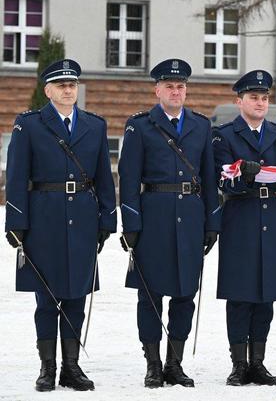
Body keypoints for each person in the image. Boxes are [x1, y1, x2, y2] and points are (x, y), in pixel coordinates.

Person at [5, 59, 116, 391]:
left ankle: (71, 366)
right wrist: (16, 222)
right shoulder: (30, 125)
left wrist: (107, 218)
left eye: (73, 85)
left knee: (77, 295)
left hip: (82, 217)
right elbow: (16, 176)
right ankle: (47, 367)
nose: (69, 90)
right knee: (46, 297)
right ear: (48, 90)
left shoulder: (95, 126)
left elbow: (104, 178)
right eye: (62, 85)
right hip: (44, 218)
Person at [118, 58, 219, 388]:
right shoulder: (140, 126)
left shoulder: (201, 126)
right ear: (157, 89)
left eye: (181, 86)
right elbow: (129, 178)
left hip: (190, 217)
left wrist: (211, 224)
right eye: (170, 86)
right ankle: (152, 363)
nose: (176, 91)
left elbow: (208, 176)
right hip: (154, 219)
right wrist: (131, 224)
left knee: (185, 294)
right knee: (150, 295)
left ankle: (175, 363)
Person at [213, 70, 276, 386]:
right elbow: (223, 179)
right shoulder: (225, 135)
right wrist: (244, 177)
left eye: (265, 97)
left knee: (266, 294)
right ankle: (239, 363)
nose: (260, 102)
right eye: (253, 97)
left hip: (271, 217)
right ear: (240, 101)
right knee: (240, 294)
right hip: (240, 216)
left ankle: (258, 362)